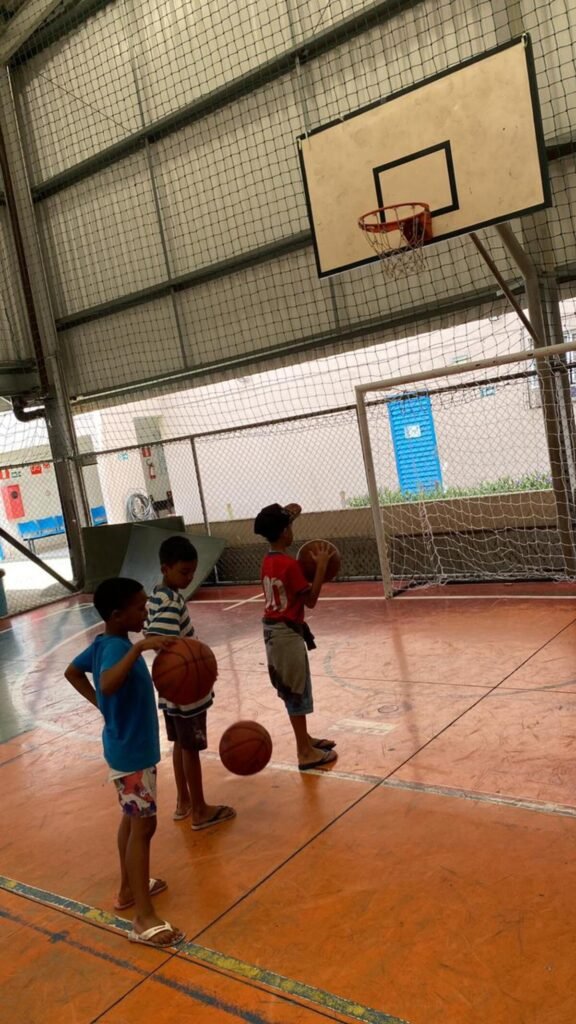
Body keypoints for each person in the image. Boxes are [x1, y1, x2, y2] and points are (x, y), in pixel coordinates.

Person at [64, 577, 183, 949]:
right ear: (117, 615)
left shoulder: (103, 644)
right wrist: (139, 649)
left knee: (131, 821)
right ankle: (143, 918)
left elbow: (72, 671)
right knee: (143, 828)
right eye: (139, 606)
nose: (145, 611)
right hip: (132, 755)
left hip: (127, 750)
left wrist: (100, 704)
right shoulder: (116, 648)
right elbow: (109, 682)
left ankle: (129, 887)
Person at [145, 535, 235, 830]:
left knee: (180, 745)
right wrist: (197, 665)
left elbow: (151, 634)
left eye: (192, 572)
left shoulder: (156, 596)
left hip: (171, 691)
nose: (189, 578)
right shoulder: (170, 601)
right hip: (185, 690)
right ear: (165, 567)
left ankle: (183, 801)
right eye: (183, 572)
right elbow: (165, 641)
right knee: (191, 748)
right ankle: (199, 810)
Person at [254, 502, 338, 770]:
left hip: (274, 631)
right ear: (283, 532)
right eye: (290, 526)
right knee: (296, 690)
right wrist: (322, 566)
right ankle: (304, 752)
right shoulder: (290, 565)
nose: (293, 531)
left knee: (294, 687)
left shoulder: (268, 561)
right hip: (286, 634)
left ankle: (306, 738)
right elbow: (310, 601)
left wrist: (290, 514)